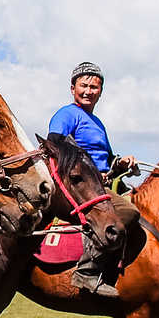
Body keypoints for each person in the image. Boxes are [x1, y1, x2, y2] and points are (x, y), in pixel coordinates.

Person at [47, 61, 140, 297]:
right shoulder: (66, 114)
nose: (88, 91)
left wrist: (120, 163)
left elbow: (106, 162)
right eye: (83, 85)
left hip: (101, 183)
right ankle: (87, 271)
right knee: (129, 212)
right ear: (72, 88)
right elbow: (54, 147)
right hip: (80, 187)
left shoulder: (97, 123)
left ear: (101, 91)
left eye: (94, 87)